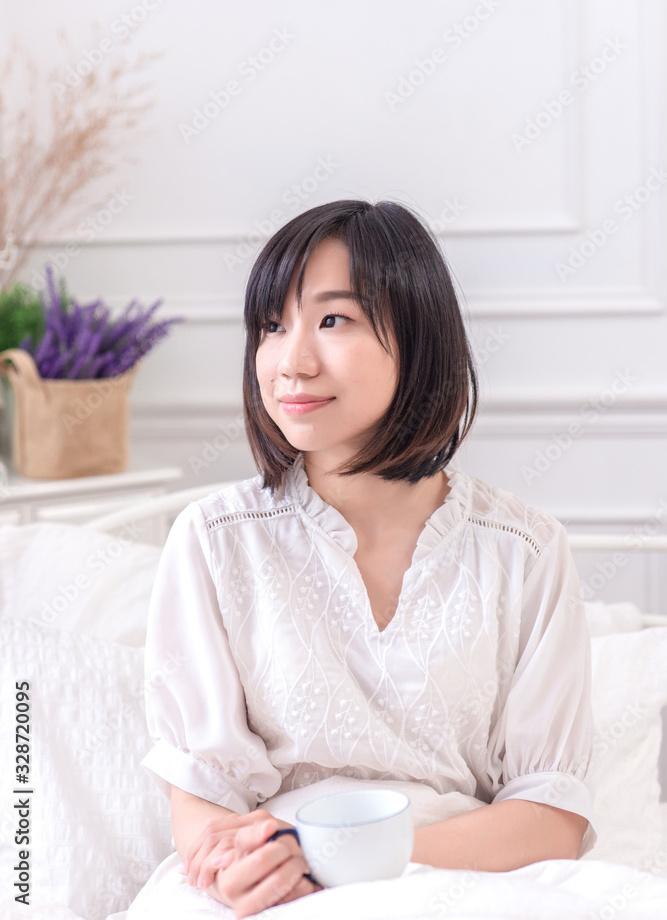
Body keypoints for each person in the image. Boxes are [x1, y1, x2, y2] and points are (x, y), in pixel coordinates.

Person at [138, 199, 597, 919]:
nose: (292, 362)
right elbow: (204, 797)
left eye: (333, 319)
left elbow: (551, 817)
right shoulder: (216, 539)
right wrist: (232, 871)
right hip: (274, 886)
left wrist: (351, 860)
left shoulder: (523, 550)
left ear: (418, 338)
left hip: (465, 882)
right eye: (272, 326)